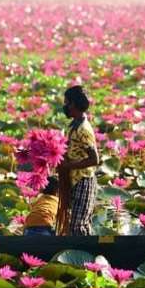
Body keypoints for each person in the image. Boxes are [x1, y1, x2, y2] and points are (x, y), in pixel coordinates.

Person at [56, 85, 100, 236]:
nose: (65, 106)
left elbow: (94, 159)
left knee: (78, 225)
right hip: (74, 180)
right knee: (73, 224)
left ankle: (85, 256)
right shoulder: (73, 126)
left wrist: (68, 165)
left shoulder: (83, 129)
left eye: (66, 102)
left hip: (84, 179)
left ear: (73, 104)